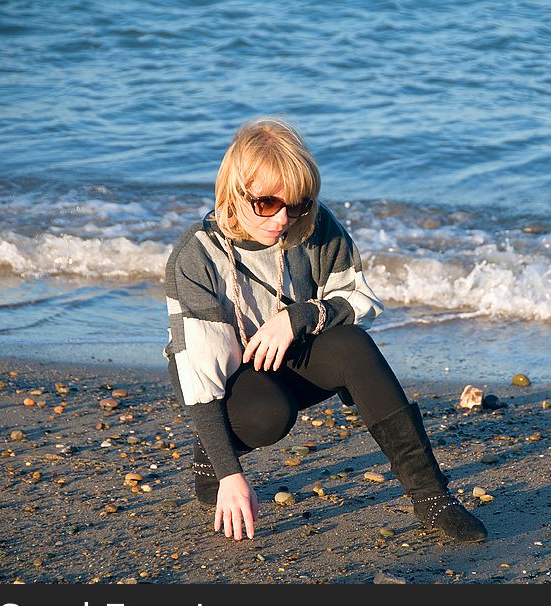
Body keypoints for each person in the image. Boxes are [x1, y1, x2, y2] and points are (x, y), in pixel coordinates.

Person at [163, 117, 487, 544]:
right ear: (235, 191)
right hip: (226, 378)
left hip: (289, 351)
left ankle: (432, 498)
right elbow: (203, 378)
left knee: (354, 346)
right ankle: (210, 460)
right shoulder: (196, 255)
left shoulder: (313, 226)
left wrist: (296, 318)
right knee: (268, 415)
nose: (282, 218)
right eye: (266, 204)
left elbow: (359, 300)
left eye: (295, 204)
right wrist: (230, 476)